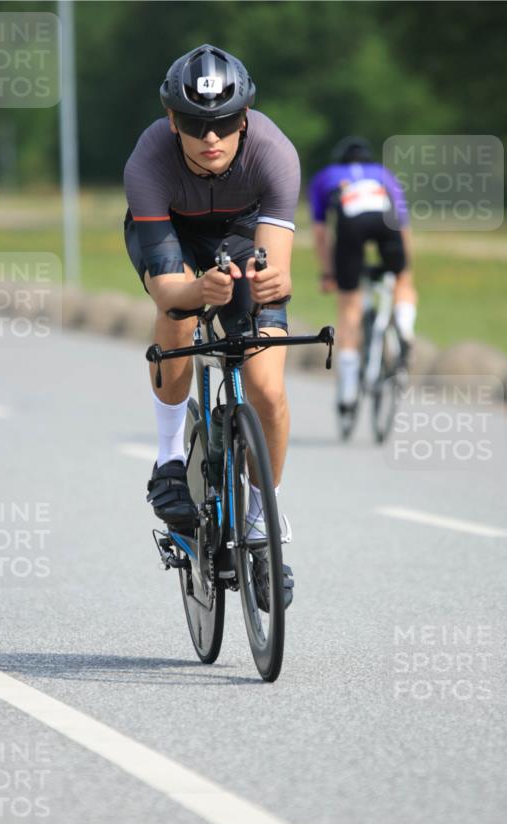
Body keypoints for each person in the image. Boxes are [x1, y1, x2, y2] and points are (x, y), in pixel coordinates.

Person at [123, 44, 300, 607]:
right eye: (197, 124)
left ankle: (258, 520)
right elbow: (167, 289)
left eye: (224, 121)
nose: (211, 137)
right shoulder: (148, 162)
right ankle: (170, 458)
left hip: (243, 234)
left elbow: (278, 267)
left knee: (267, 386)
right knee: (177, 315)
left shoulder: (274, 154)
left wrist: (269, 287)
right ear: (172, 120)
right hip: (174, 233)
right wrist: (199, 292)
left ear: (244, 116)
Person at [308, 136, 418, 412]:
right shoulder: (383, 174)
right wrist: (406, 270)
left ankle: (347, 393)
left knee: (349, 307)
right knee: (403, 282)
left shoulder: (326, 176)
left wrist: (328, 273)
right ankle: (404, 328)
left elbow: (321, 233)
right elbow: (403, 226)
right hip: (386, 222)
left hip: (350, 225)